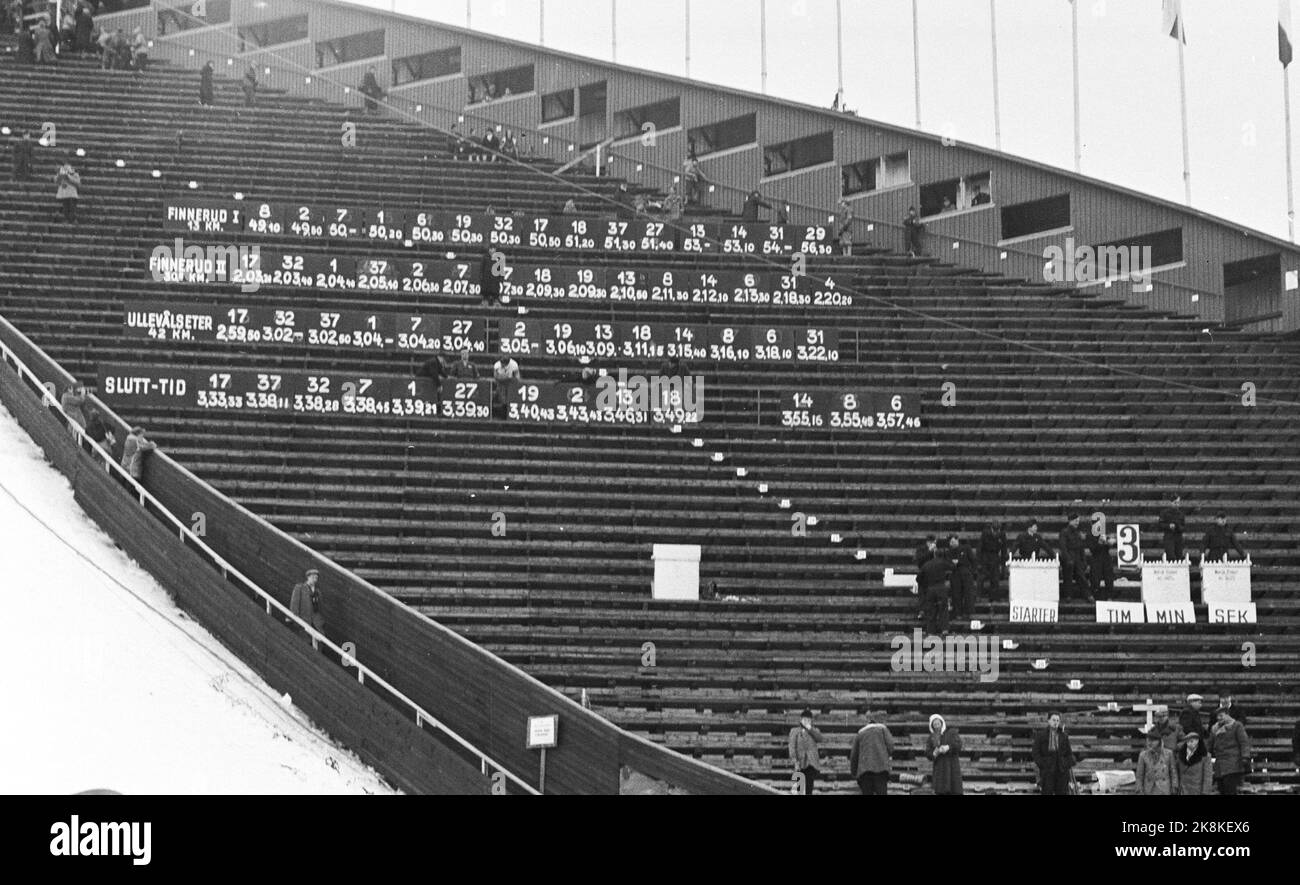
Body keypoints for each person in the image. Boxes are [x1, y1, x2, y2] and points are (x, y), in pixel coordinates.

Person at [848, 711, 894, 795]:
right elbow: (891, 746)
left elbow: (854, 755)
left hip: (865, 771)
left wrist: (854, 772)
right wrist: (885, 755)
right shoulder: (883, 728)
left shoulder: (860, 732)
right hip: (881, 769)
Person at [1207, 706, 1251, 795]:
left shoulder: (1237, 725)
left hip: (1233, 763)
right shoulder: (1214, 729)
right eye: (1217, 716)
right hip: (1219, 764)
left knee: (1230, 789)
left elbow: (1244, 742)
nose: (1218, 718)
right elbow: (1209, 745)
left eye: (1221, 716)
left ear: (1227, 715)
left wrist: (1245, 757)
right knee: (1222, 789)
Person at [1031, 712, 1075, 795]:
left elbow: (1069, 754)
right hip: (1047, 772)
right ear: (1048, 721)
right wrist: (1043, 764)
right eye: (1054, 720)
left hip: (1061, 772)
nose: (1056, 722)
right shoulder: (1040, 735)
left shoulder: (1064, 736)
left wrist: (1065, 763)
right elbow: (1035, 753)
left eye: (1058, 720)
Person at [787, 709, 824, 795]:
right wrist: (795, 761)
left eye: (808, 720)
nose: (806, 721)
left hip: (811, 763)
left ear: (811, 721)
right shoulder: (795, 731)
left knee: (809, 786)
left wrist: (810, 728)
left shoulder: (814, 730)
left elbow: (820, 738)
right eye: (804, 719)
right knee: (800, 787)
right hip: (800, 762)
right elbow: (792, 747)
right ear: (800, 720)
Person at [1057, 513, 1093, 602]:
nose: (1077, 522)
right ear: (1070, 521)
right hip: (1068, 558)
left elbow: (1081, 548)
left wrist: (1084, 561)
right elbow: (1063, 547)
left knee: (1081, 577)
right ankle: (1068, 596)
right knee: (1067, 577)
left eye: (1078, 521)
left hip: (1077, 558)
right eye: (1075, 520)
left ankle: (1088, 595)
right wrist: (1068, 559)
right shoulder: (1064, 532)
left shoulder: (1078, 533)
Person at [926, 713, 963, 795]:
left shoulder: (951, 733)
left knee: (954, 790)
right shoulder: (931, 738)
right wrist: (934, 753)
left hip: (952, 768)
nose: (937, 725)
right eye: (934, 724)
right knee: (941, 791)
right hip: (940, 770)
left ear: (942, 723)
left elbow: (959, 745)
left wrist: (948, 747)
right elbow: (928, 753)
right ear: (932, 726)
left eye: (938, 723)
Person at [919, 546, 953, 635]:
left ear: (934, 554)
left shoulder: (926, 564)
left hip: (930, 589)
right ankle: (944, 629)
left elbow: (918, 578)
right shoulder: (943, 562)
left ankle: (930, 631)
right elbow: (953, 567)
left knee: (931, 610)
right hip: (941, 588)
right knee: (943, 609)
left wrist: (925, 585)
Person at [1136, 728, 1179, 796]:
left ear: (1159, 741)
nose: (1150, 742)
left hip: (1164, 789)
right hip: (1149, 789)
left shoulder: (1169, 753)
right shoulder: (1143, 755)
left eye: (1153, 740)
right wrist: (1139, 790)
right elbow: (1139, 775)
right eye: (1148, 740)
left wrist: (1175, 786)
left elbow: (1173, 772)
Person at [947, 534, 977, 621]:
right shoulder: (949, 551)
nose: (951, 544)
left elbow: (973, 560)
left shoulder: (966, 548)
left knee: (968, 594)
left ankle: (968, 613)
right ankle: (958, 613)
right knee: (956, 594)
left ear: (957, 540)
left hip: (966, 572)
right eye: (950, 542)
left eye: (953, 541)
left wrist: (972, 572)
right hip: (955, 573)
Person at [977, 521, 1007, 599]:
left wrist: (1003, 564)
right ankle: (979, 596)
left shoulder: (1002, 534)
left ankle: (994, 597)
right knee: (981, 578)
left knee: (995, 579)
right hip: (985, 556)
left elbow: (1004, 549)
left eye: (998, 530)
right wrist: (979, 562)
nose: (996, 532)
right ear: (991, 528)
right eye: (995, 530)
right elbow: (979, 548)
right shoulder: (985, 533)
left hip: (995, 557)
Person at [1087, 519, 1116, 600]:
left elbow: (1110, 544)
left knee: (1109, 577)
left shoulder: (1104, 534)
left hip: (1106, 558)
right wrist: (1099, 543)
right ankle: (1095, 595)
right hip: (1096, 558)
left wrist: (1110, 542)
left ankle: (1109, 596)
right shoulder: (1090, 536)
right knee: (1095, 578)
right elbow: (1093, 549)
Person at [1158, 493, 1187, 560]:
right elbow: (1160, 525)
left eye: (1178, 503)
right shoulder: (1164, 513)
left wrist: (1178, 527)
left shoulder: (1181, 514)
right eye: (1175, 503)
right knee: (1171, 557)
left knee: (1179, 557)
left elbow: (1184, 527)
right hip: (1169, 537)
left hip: (1178, 537)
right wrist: (1168, 526)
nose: (1177, 505)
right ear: (1171, 502)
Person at [54, 155, 81, 223]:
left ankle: (74, 219)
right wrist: (60, 176)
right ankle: (66, 219)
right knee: (65, 208)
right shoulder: (60, 173)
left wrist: (68, 177)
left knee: (72, 207)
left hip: (72, 193)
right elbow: (56, 181)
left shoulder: (74, 173)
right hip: (64, 193)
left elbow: (77, 182)